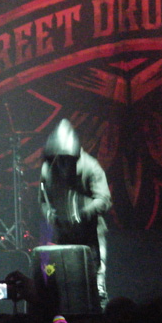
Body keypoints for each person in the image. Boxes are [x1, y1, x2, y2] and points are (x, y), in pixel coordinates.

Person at [39, 119, 112, 309]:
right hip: (64, 232)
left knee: (96, 281)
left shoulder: (91, 167)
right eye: (59, 158)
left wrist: (83, 212)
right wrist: (50, 215)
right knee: (65, 280)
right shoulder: (48, 169)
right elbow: (43, 200)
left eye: (66, 159)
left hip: (90, 233)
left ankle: (100, 316)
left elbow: (104, 199)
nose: (62, 163)